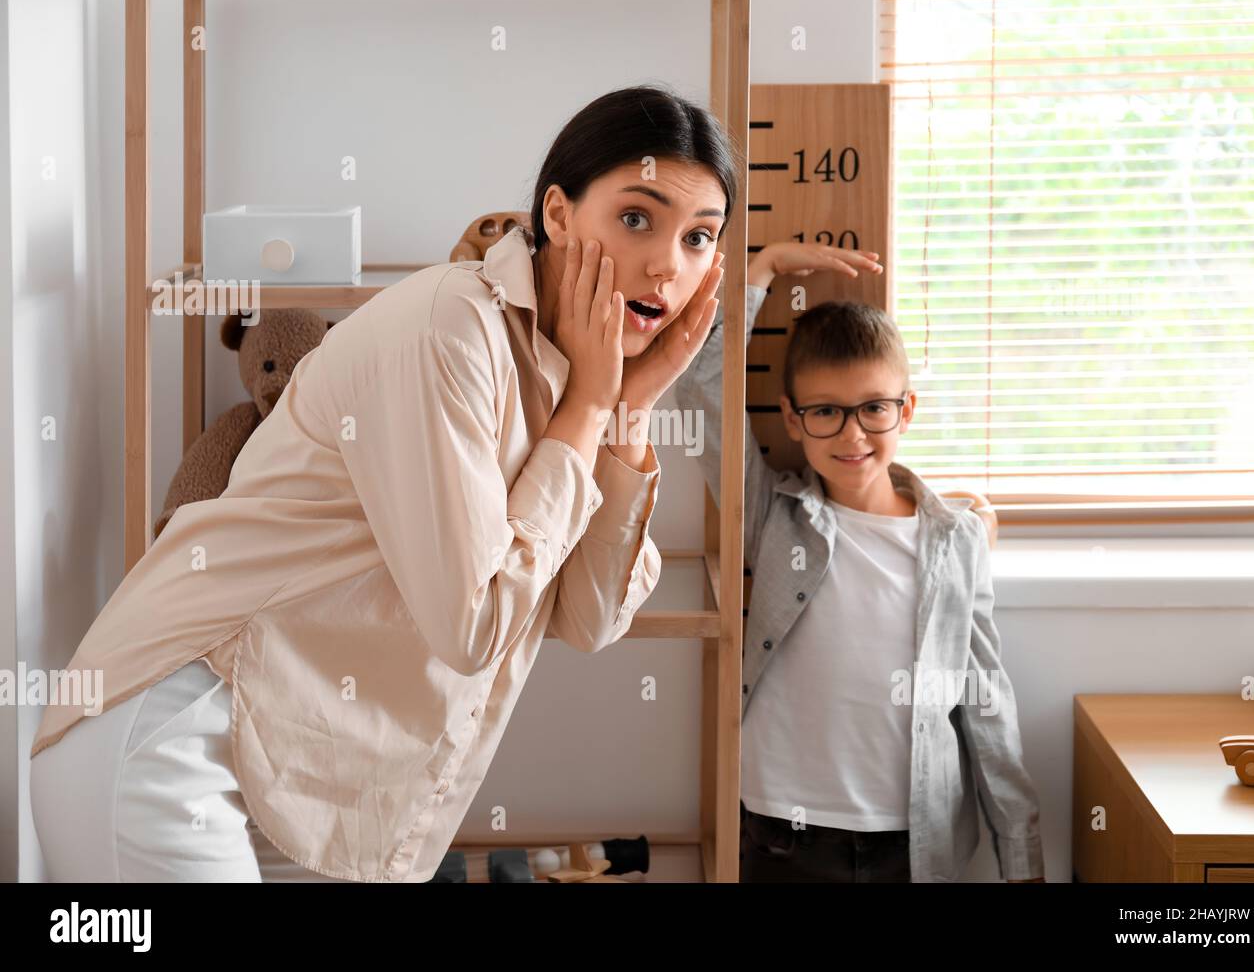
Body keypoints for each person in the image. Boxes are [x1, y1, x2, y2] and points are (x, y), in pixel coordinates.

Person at [28, 84, 737, 883]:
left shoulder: (581, 378)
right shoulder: (450, 328)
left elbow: (590, 617)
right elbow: (474, 628)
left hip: (284, 780)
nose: (666, 265)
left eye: (700, 239)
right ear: (560, 214)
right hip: (172, 738)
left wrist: (627, 411)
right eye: (636, 218)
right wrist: (590, 406)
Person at [673, 241, 1045, 883]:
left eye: (873, 408)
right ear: (791, 418)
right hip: (782, 832)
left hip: (913, 838)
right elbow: (704, 393)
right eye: (825, 412)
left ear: (907, 410)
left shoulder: (954, 542)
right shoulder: (773, 516)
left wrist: (1023, 860)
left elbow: (987, 705)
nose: (852, 435)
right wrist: (758, 273)